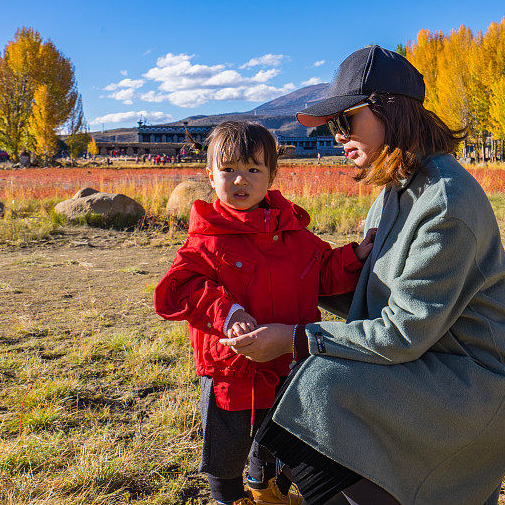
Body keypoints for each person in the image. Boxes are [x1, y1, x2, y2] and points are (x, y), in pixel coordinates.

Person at [220, 46, 505, 504]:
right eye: (333, 126)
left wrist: (294, 336)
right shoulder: (393, 191)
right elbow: (371, 292)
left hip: (481, 382)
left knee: (321, 384)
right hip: (431, 362)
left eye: (344, 121)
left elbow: (403, 332)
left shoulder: (444, 202)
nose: (337, 137)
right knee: (318, 383)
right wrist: (273, 276)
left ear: (391, 111)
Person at [153, 121, 376, 505]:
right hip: (229, 366)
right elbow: (178, 290)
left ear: (272, 176)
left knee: (279, 432)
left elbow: (321, 270)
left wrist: (353, 258)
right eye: (228, 170)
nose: (241, 180)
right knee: (226, 442)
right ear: (210, 175)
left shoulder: (293, 233)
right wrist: (226, 312)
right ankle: (227, 497)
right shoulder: (207, 238)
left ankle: (267, 490)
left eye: (253, 170)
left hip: (286, 359)